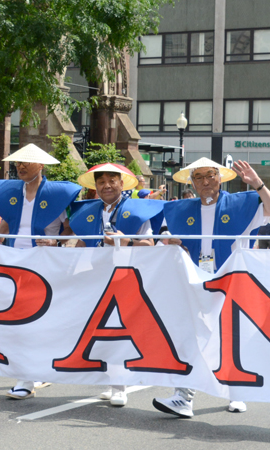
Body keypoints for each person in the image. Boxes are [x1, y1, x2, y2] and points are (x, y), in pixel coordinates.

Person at [152, 157, 270, 419]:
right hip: (197, 279)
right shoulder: (181, 209)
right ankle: (183, 396)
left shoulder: (241, 202)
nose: (206, 181)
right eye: (199, 177)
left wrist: (257, 183)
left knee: (232, 336)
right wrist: (172, 241)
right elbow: (163, 236)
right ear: (192, 183)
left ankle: (237, 392)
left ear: (220, 178)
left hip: (234, 278)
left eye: (211, 175)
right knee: (191, 335)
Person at [0, 144, 82, 399]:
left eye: (27, 162)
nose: (21, 166)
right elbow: (9, 218)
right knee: (18, 319)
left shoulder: (56, 193)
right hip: (14, 262)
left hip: (44, 264)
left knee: (33, 319)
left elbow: (70, 226)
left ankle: (27, 377)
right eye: (18, 162)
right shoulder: (12, 193)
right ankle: (32, 372)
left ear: (41, 166)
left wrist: (57, 242)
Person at [67, 162, 162, 406]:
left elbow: (149, 245)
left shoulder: (137, 210)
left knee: (121, 329)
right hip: (97, 276)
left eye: (112, 180)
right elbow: (80, 244)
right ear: (95, 187)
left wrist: (125, 241)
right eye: (101, 182)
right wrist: (63, 262)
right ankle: (111, 379)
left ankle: (119, 384)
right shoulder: (88, 211)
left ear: (122, 183)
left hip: (127, 276)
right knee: (100, 330)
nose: (107, 185)